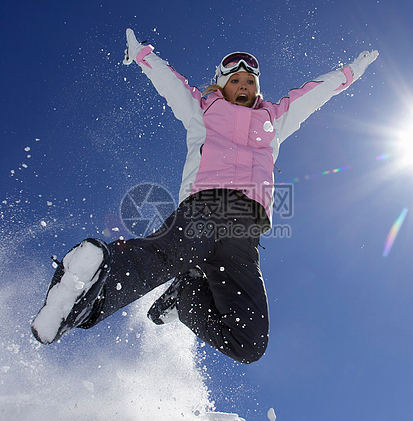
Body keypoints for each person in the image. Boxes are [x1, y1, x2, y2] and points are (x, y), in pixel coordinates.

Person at [31, 29, 378, 363]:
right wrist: (141, 55)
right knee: (166, 254)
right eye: (235, 81)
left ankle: (185, 297)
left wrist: (353, 71)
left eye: (250, 82)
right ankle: (88, 292)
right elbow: (171, 83)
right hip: (204, 208)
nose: (243, 87)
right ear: (221, 84)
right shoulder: (205, 110)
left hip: (244, 232)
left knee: (249, 343)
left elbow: (315, 93)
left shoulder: (274, 119)